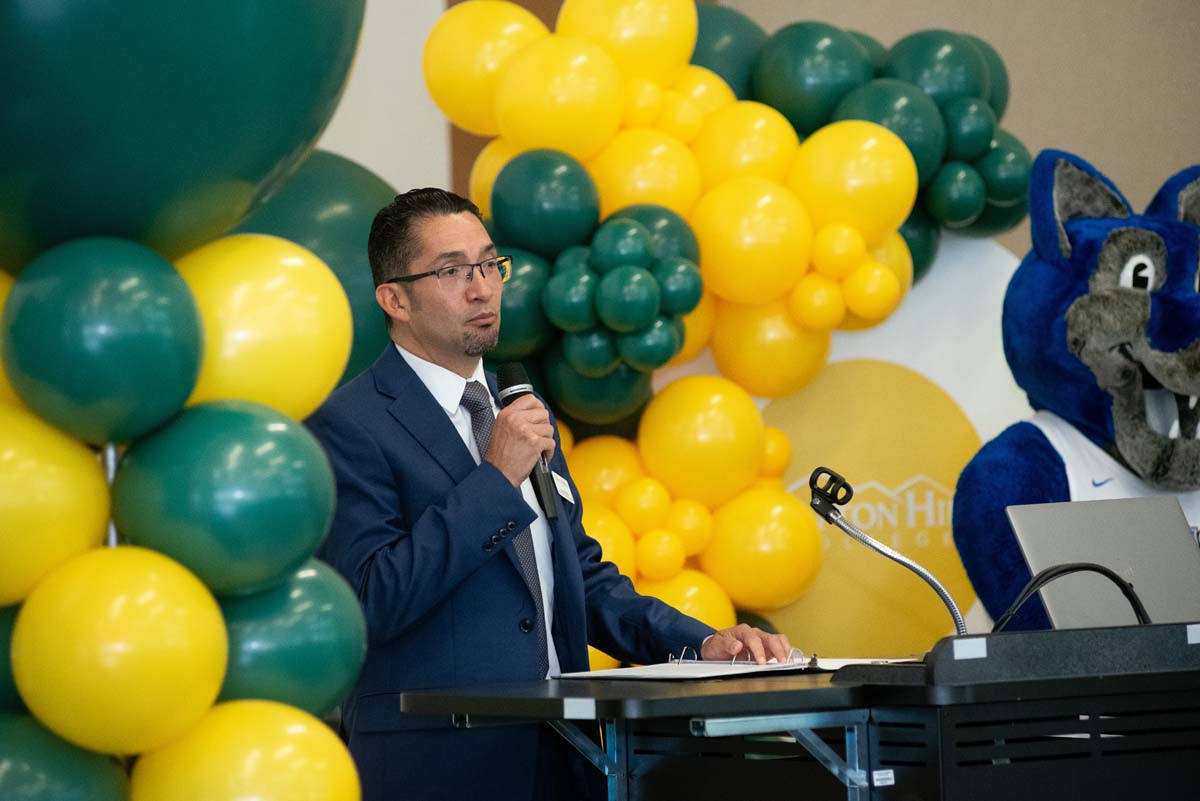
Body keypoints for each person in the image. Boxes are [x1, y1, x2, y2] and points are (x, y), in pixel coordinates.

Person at [306, 188, 791, 801]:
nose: (481, 288)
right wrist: (495, 479)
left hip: (565, 755)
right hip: (438, 765)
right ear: (394, 299)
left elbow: (578, 580)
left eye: (489, 264)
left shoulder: (520, 409)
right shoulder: (349, 424)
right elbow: (371, 600)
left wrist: (699, 644)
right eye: (452, 271)